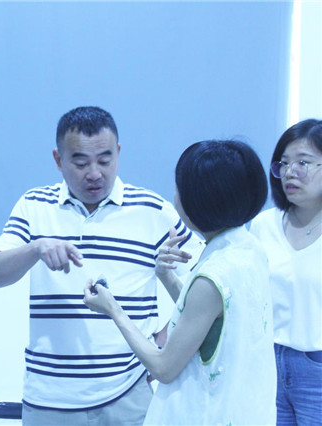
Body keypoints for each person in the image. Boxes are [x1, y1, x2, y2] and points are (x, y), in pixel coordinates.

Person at [0, 106, 203, 425]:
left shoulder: (152, 210)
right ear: (58, 160)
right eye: (80, 162)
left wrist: (162, 343)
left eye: (104, 160)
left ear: (118, 153)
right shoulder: (33, 205)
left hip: (128, 396)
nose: (95, 173)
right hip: (48, 398)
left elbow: (205, 283)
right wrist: (36, 247)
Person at [84, 139, 277, 425]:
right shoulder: (248, 249)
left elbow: (164, 367)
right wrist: (165, 275)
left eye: (179, 189)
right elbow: (207, 319)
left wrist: (113, 310)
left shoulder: (214, 275)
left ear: (198, 201)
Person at [250, 119, 322, 425]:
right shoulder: (263, 225)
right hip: (267, 362)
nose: (290, 172)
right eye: (284, 163)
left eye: (303, 163)